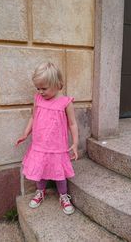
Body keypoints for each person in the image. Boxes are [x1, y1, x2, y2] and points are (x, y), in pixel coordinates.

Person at [16, 62, 78, 215]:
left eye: (44, 88)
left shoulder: (65, 102)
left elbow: (73, 123)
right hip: (40, 144)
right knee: (40, 170)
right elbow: (33, 117)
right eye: (38, 88)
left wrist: (75, 143)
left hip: (58, 146)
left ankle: (63, 196)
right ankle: (40, 192)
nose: (40, 92)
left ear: (58, 85)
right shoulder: (38, 99)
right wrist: (25, 133)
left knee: (60, 174)